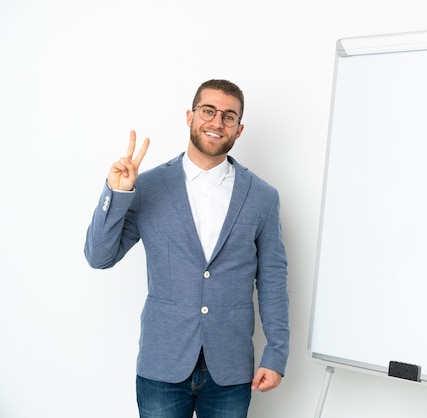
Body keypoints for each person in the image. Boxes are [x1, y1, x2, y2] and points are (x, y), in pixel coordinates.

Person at [84, 79, 289, 418]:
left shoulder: (263, 197)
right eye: (208, 111)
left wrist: (276, 354)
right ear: (190, 116)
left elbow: (272, 281)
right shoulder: (147, 186)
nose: (217, 122)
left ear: (239, 130)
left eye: (229, 116)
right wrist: (117, 193)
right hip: (162, 362)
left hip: (231, 368)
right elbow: (99, 257)